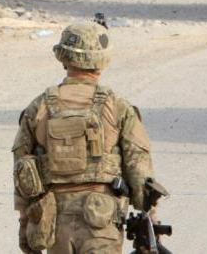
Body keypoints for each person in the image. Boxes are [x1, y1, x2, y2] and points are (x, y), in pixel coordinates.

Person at [12, 19, 160, 254]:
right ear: (102, 61)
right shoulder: (117, 107)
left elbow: (23, 171)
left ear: (63, 57)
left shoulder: (38, 107)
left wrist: (25, 224)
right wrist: (150, 215)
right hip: (101, 218)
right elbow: (138, 167)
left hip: (53, 221)